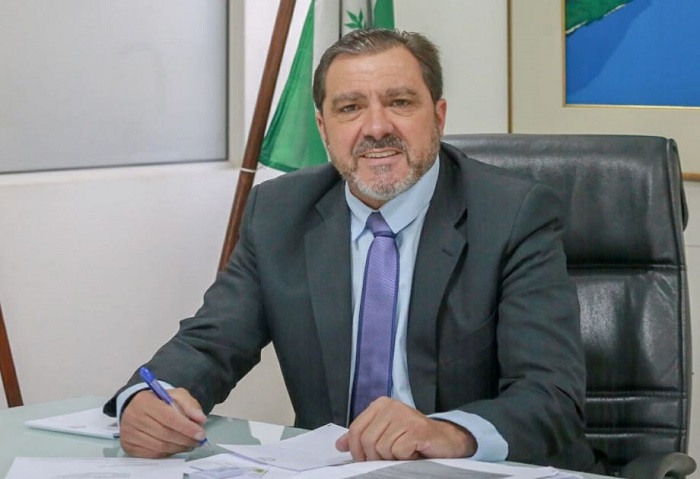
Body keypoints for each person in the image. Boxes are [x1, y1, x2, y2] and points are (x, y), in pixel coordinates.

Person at [104, 28, 600, 472]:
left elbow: (550, 397)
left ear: (438, 116)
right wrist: (146, 398)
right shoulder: (280, 213)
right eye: (350, 108)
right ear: (323, 129)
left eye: (400, 102)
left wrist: (447, 432)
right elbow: (211, 343)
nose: (376, 127)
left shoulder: (512, 214)